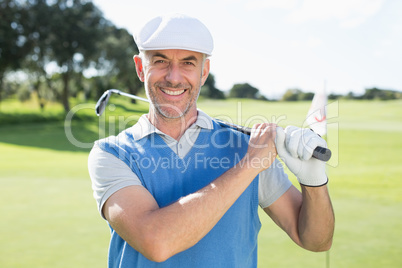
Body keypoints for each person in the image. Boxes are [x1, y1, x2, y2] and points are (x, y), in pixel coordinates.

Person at [88, 13, 334, 267]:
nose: (173, 77)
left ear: (204, 72)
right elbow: (157, 242)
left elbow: (316, 241)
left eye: (188, 63)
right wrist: (249, 165)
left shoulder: (247, 147)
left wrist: (313, 181)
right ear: (141, 68)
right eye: (160, 61)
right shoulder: (111, 154)